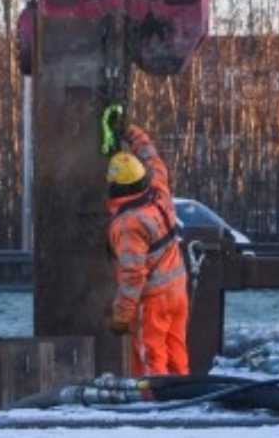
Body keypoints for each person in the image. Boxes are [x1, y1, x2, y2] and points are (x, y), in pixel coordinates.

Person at [105, 123, 190, 375]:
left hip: (153, 300)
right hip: (178, 291)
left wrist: (122, 315)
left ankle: (154, 405)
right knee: (175, 350)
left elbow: (133, 275)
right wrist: (131, 131)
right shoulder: (159, 191)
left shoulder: (129, 223)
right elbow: (151, 156)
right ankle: (183, 396)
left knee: (150, 358)